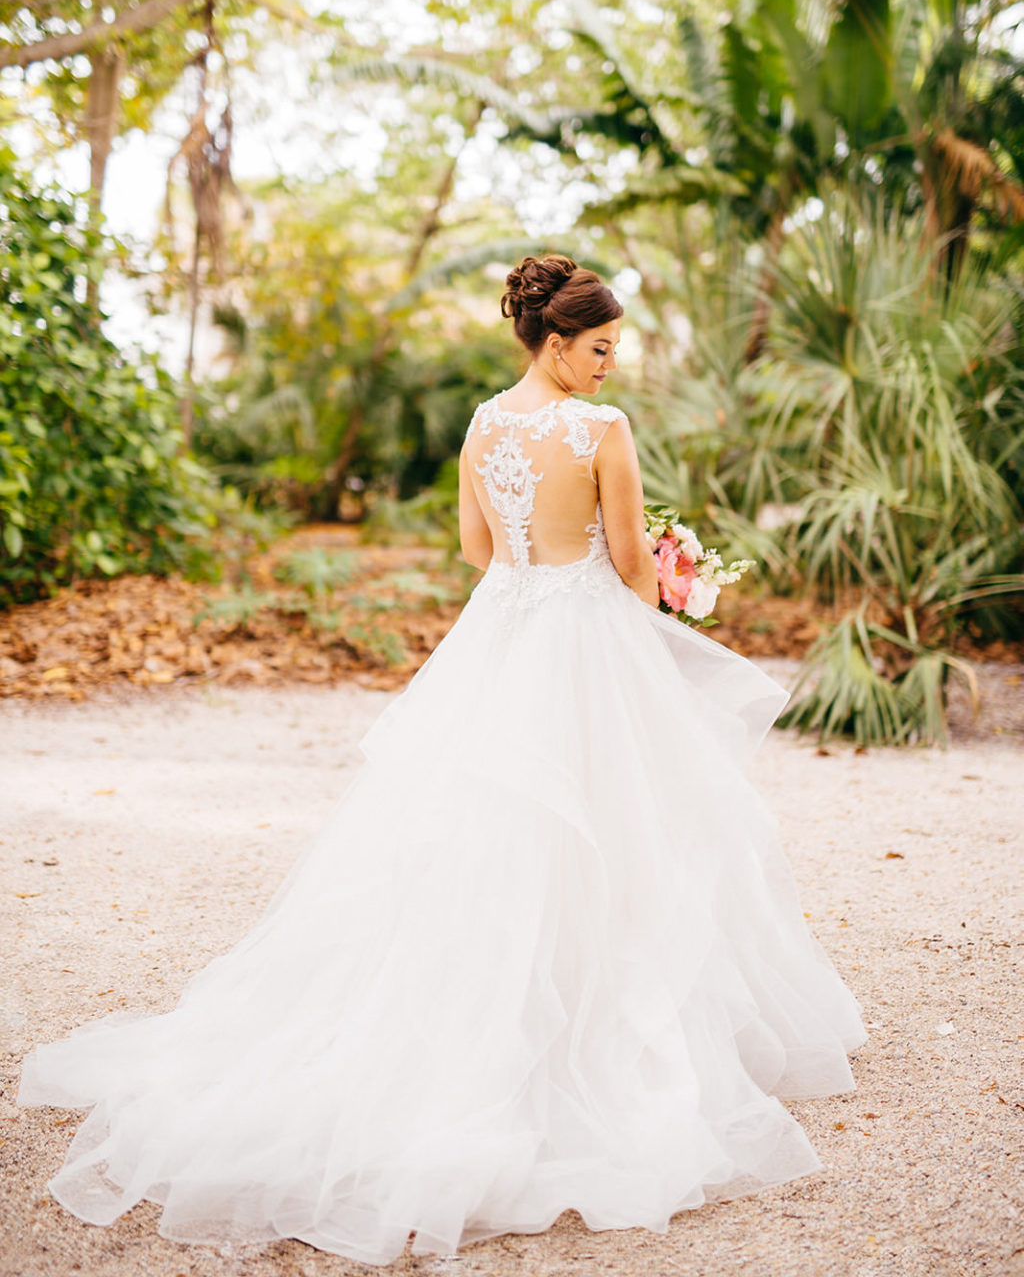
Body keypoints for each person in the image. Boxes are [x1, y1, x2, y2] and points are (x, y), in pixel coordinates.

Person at [18, 255, 866, 1266]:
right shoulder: (602, 431)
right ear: (556, 343)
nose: (609, 367)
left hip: (499, 638)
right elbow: (633, 562)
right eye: (599, 349)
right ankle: (600, 1037)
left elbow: (477, 548)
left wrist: (548, 570)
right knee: (621, 824)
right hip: (586, 639)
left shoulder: (482, 425)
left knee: (477, 831)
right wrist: (653, 612)